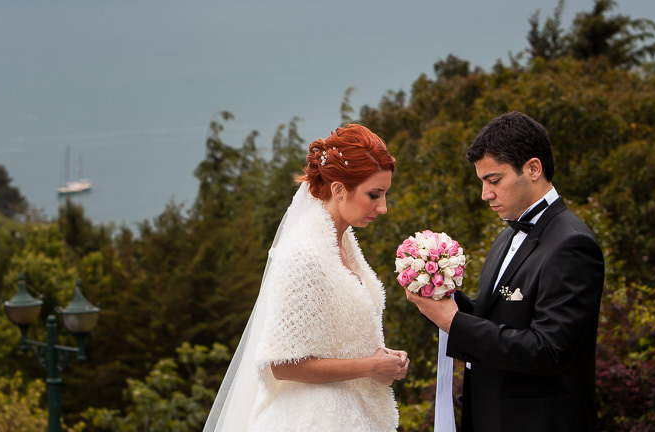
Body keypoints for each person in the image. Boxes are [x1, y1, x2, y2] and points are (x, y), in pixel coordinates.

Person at [406, 111, 605, 432]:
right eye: (482, 182)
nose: (486, 194)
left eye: (494, 180)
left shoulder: (573, 245)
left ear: (533, 169)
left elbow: (549, 351)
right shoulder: (506, 236)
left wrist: (452, 321)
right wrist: (437, 295)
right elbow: (495, 320)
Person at [204, 123, 410, 432]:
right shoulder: (303, 254)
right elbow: (282, 365)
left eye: (384, 194)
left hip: (349, 413)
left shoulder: (341, 244)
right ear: (339, 189)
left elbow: (340, 336)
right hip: (312, 419)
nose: (382, 208)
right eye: (374, 195)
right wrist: (369, 367)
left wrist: (381, 360)